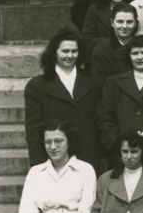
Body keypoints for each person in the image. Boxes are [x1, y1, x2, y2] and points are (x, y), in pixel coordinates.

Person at [24, 29, 103, 171]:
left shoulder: (94, 81)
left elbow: (101, 119)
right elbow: (33, 129)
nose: (70, 56)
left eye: (74, 51)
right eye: (65, 51)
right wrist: (39, 164)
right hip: (55, 160)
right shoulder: (37, 86)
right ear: (55, 52)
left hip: (89, 156)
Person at [97, 34, 143, 164]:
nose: (140, 57)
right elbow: (105, 118)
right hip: (122, 155)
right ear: (129, 56)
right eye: (135, 53)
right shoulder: (113, 83)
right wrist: (116, 143)